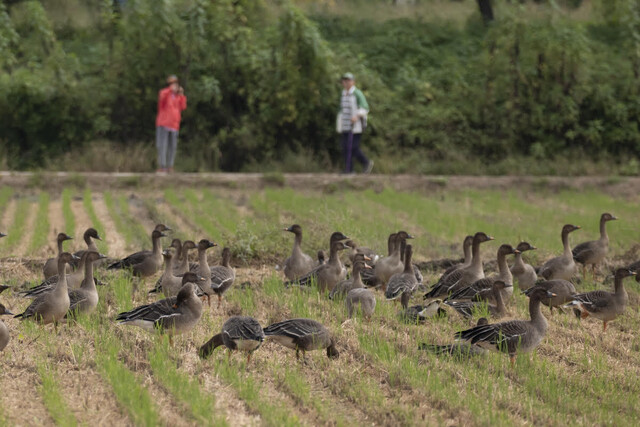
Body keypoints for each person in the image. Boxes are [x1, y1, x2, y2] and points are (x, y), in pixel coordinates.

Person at [337, 72, 373, 174]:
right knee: (345, 148)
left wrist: (356, 116)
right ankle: (349, 169)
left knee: (353, 147)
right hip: (345, 126)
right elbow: (341, 110)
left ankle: (366, 163)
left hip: (356, 126)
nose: (346, 82)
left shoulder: (357, 93)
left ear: (353, 82)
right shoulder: (343, 94)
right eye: (344, 80)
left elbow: (365, 108)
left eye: (348, 80)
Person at [155, 75, 187, 173]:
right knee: (162, 145)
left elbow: (183, 107)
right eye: (172, 83)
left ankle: (170, 166)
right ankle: (162, 166)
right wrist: (170, 90)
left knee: (172, 147)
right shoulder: (164, 93)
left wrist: (181, 94)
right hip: (164, 123)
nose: (175, 85)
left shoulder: (178, 97)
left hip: (174, 124)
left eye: (176, 83)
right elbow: (162, 98)